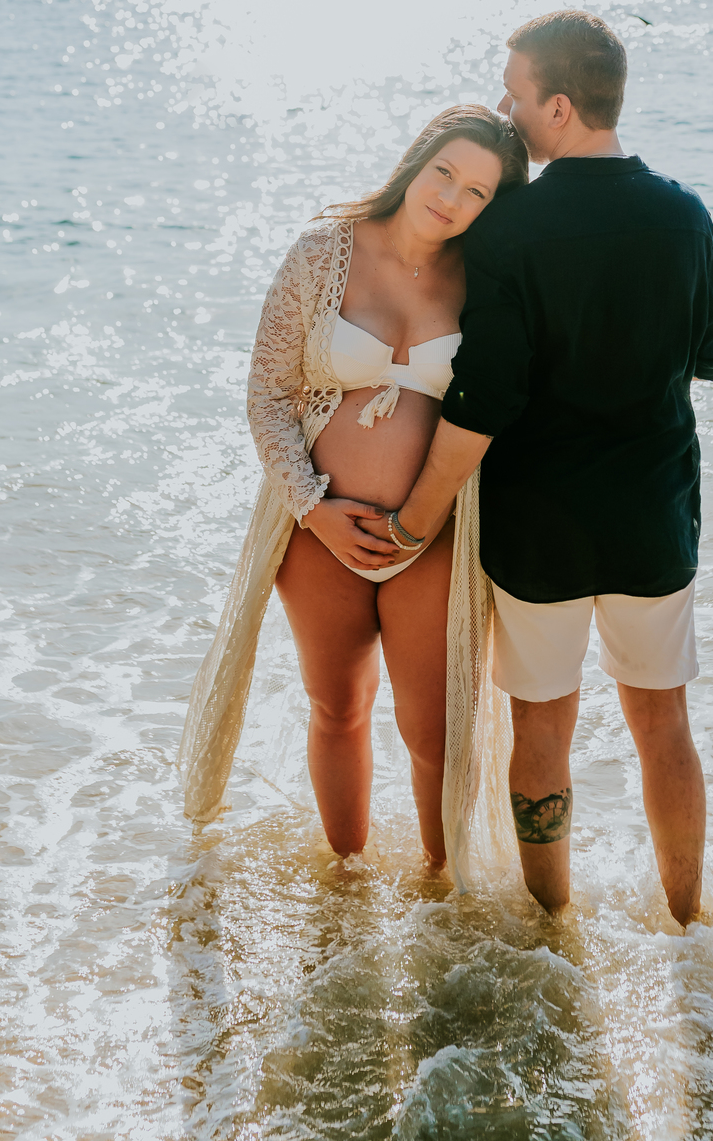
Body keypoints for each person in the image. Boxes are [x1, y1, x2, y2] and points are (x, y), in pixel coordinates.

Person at [358, 10, 713, 924]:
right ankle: (686, 919)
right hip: (652, 514)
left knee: (543, 728)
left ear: (558, 106)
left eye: (516, 94)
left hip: (539, 529)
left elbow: (483, 403)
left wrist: (412, 523)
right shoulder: (684, 215)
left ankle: (555, 924)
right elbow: (710, 354)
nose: (506, 109)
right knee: (663, 725)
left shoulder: (512, 232)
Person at [177, 105, 527, 869]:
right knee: (338, 709)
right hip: (316, 528)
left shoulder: (487, 278)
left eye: (477, 192)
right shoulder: (321, 251)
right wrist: (313, 509)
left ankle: (443, 892)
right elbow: (267, 397)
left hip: (430, 533)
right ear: (416, 162)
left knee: (434, 730)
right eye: (445, 173)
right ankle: (345, 889)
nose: (452, 199)